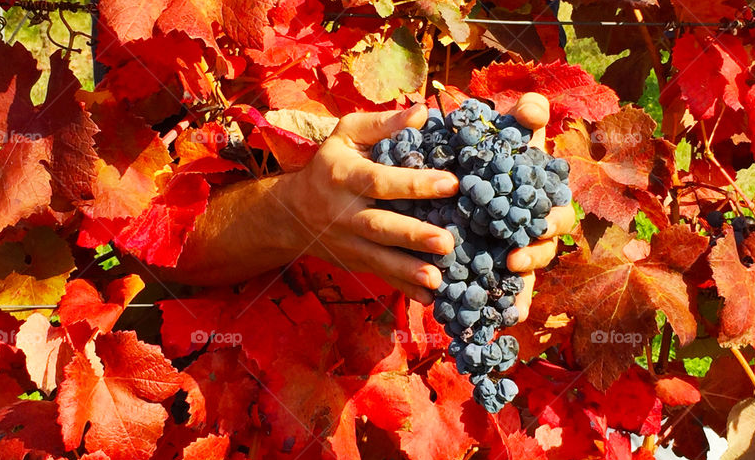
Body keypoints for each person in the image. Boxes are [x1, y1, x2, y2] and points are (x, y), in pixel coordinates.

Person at [164, 93, 577, 319]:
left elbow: (522, 176)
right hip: (248, 338)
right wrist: (291, 211)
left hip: (416, 353)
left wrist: (530, 198)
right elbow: (147, 247)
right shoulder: (195, 97)